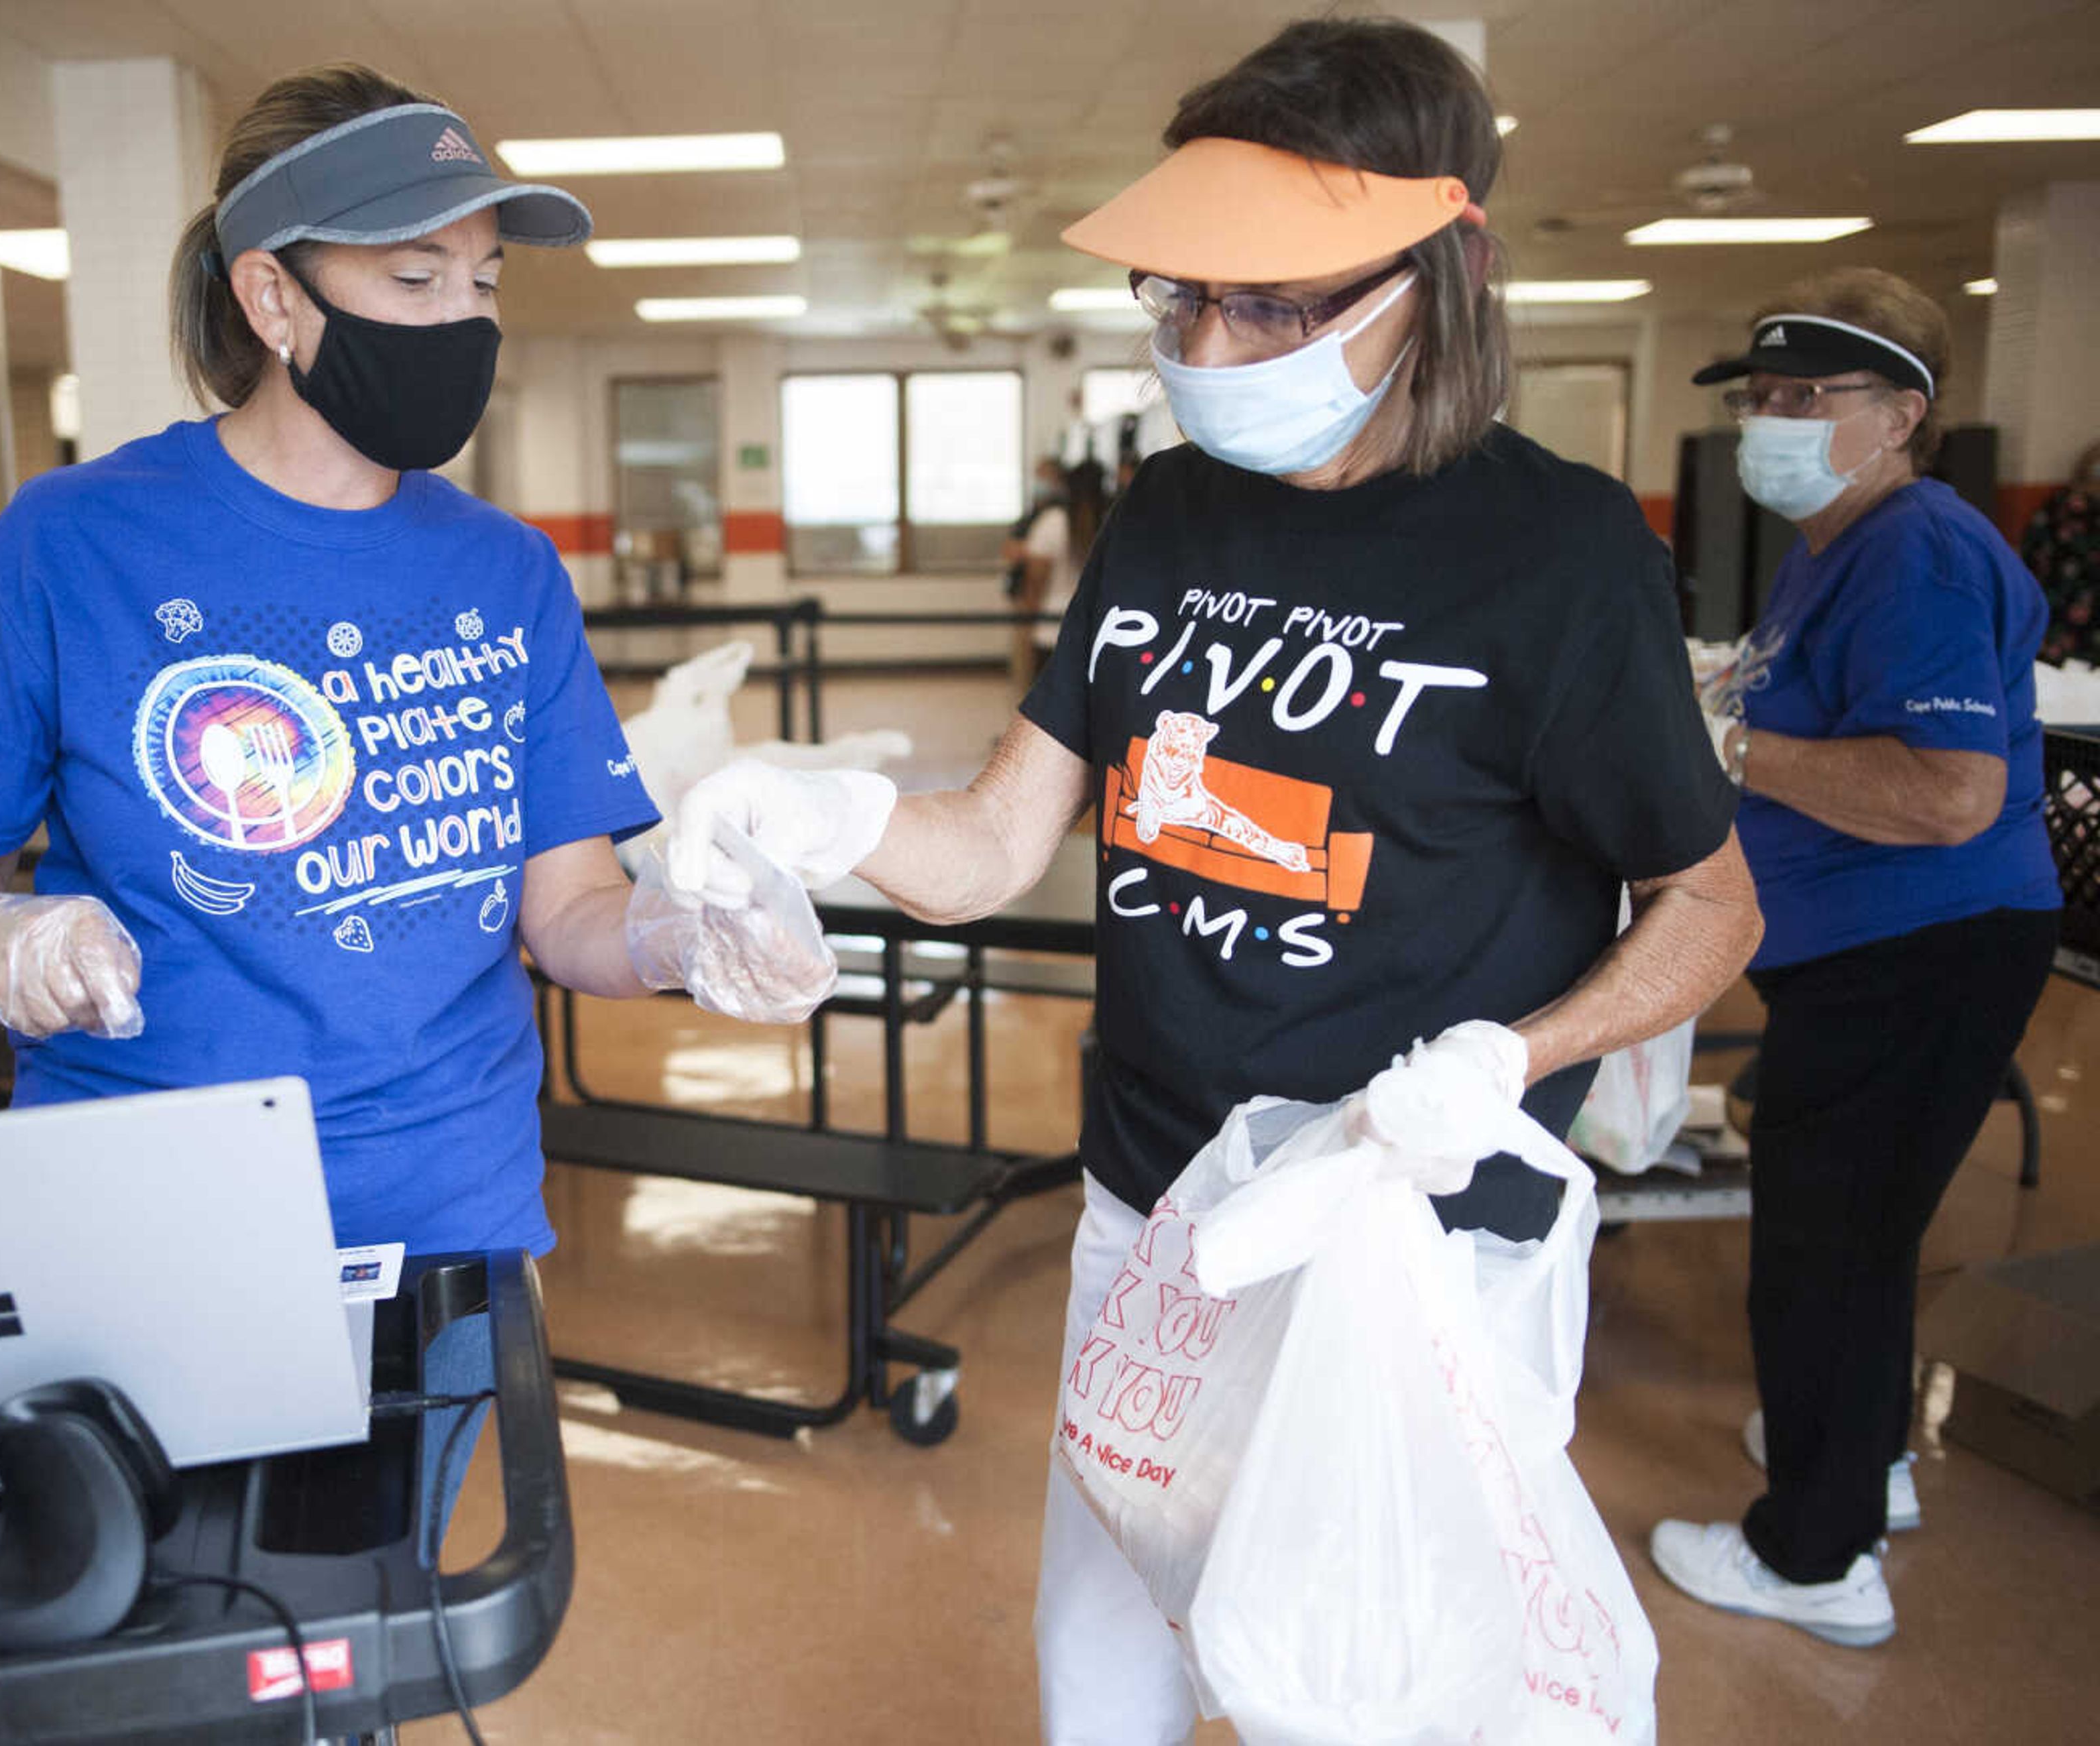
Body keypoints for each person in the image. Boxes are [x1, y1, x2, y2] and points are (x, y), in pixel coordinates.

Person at [666, 21, 1761, 1741]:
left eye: (1267, 305)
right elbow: (990, 846)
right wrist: (817, 820)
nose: (1205, 344)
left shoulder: (1559, 559)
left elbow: (1710, 911)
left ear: (1435, 281)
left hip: (1402, 1242)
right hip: (1150, 1209)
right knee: (1100, 1667)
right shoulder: (1167, 516)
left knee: (1376, 1696)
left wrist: (1510, 1061)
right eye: (1180, 299)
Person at [0, 64, 826, 1555]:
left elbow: (568, 913)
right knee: (134, 1624)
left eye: (485, 281)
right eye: (414, 274)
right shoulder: (74, 544)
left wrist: (690, 936)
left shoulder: (504, 571)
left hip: (441, 1208)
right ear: (272, 297)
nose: (463, 320)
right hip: (144, 1201)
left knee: (351, 1640)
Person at [1653, 270, 2062, 1647]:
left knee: (1823, 1249)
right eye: (1759, 397)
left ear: (1902, 414)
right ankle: (1861, 1462)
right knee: (1859, 1236)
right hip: (1872, 952)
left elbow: (1947, 791)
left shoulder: (1918, 551)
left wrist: (1734, 749)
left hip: (1923, 952)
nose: (1770, 419)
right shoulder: (1842, 543)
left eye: (1803, 399)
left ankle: (1815, 1562)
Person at [2022, 439, 2100, 664]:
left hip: (2052, 620)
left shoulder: (2058, 504)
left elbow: (2030, 554)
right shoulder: (2061, 506)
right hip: (2063, 618)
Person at [1004, 457, 1071, 687]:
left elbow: (1037, 576)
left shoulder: (1054, 520)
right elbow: (1012, 550)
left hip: (1047, 619)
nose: (1039, 483)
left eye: (1044, 476)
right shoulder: (1040, 515)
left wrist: (1031, 614)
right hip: (1048, 617)